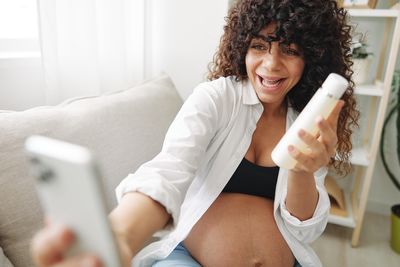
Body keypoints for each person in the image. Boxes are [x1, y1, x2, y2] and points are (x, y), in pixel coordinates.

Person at [31, 0, 359, 266]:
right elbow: (167, 171)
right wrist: (118, 238)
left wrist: (303, 171)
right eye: (259, 46)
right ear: (242, 48)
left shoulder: (309, 122)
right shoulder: (216, 98)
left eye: (289, 50)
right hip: (186, 257)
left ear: (311, 58)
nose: (270, 65)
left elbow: (306, 229)